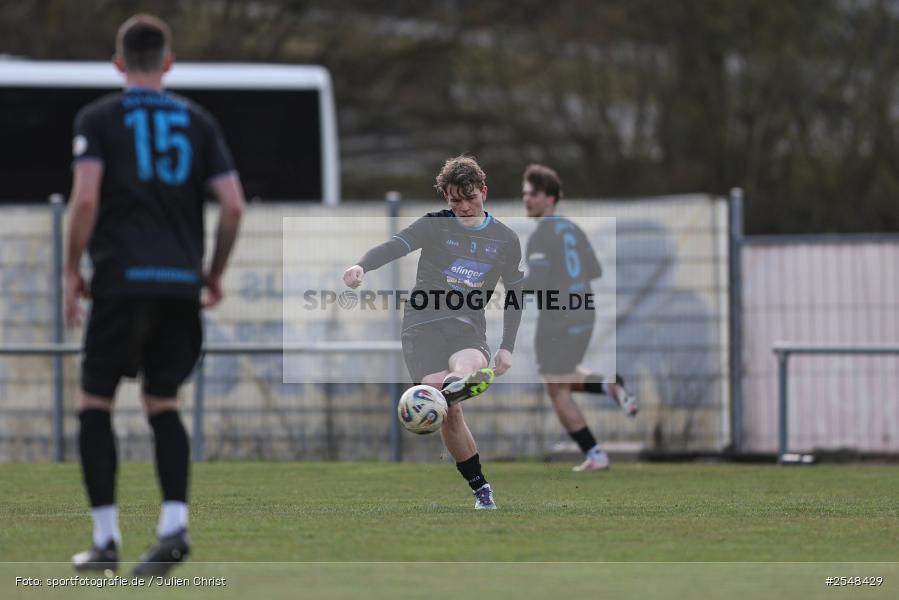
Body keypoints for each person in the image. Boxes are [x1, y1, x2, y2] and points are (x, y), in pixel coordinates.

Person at [65, 14, 245, 575]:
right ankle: (172, 529)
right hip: (179, 283)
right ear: (168, 62)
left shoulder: (98, 118)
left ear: (119, 63)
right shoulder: (198, 121)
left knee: (96, 402)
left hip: (121, 280)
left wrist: (72, 268)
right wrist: (212, 273)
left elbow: (86, 198)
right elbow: (234, 204)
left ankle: (106, 540)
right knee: (162, 403)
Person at [343, 155, 523, 509]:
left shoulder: (505, 239)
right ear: (447, 200)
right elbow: (396, 245)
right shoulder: (434, 225)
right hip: (422, 325)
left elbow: (516, 295)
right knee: (447, 409)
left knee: (463, 370)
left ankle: (457, 384)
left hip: (467, 323)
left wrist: (507, 347)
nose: (465, 207)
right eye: (455, 201)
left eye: (470, 198)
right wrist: (361, 265)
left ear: (484, 192)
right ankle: (480, 488)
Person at [521, 163, 637, 472]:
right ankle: (609, 386)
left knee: (556, 388)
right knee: (565, 376)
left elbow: (538, 283)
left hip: (558, 316)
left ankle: (596, 454)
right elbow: (595, 270)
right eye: (525, 194)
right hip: (584, 310)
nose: (526, 200)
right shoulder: (572, 229)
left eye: (533, 194)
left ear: (550, 198)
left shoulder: (541, 236)